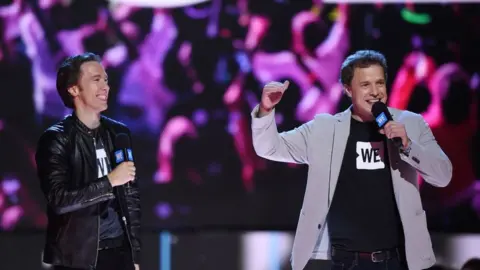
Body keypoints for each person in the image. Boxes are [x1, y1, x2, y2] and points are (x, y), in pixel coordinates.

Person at [251, 50, 452, 270]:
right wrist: (266, 111)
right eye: (365, 85)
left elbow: (443, 176)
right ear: (348, 89)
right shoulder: (324, 130)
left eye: (379, 83)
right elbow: (269, 148)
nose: (375, 92)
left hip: (396, 261)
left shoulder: (411, 124)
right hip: (342, 262)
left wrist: (408, 146)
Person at [35, 52, 141, 270]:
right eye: (96, 80)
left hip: (119, 253)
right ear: (74, 89)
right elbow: (59, 199)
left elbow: (131, 198)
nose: (105, 87)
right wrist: (109, 181)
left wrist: (135, 255)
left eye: (106, 80)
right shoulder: (56, 139)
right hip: (77, 256)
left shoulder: (119, 133)